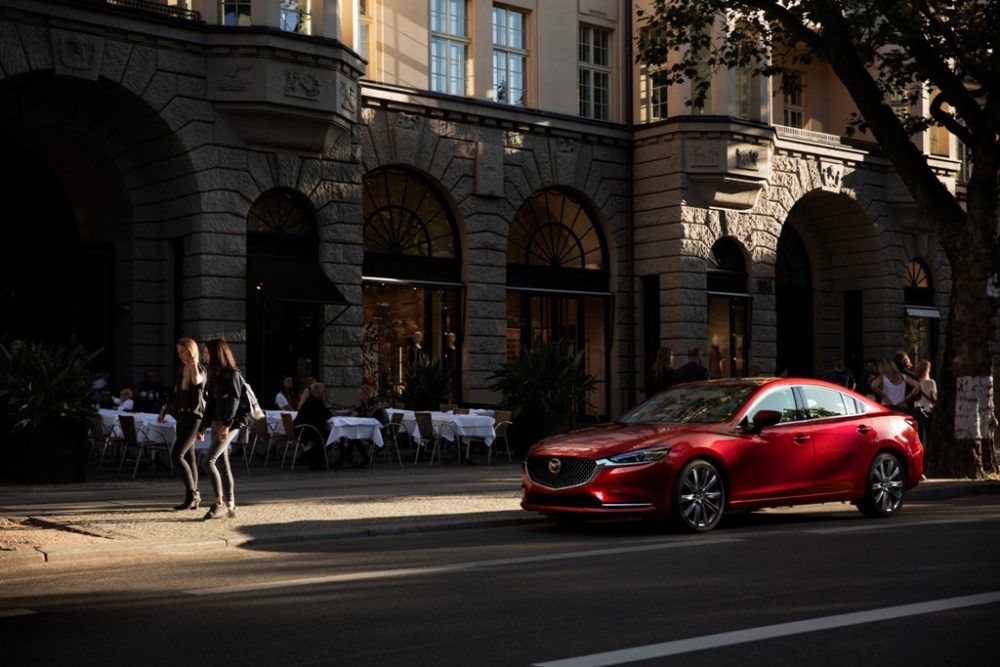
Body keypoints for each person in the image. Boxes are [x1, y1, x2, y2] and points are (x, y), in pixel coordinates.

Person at [160, 338, 206, 512]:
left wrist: (193, 363)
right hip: (181, 416)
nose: (180, 355)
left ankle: (192, 495)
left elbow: (196, 382)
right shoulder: (181, 368)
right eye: (178, 352)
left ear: (190, 350)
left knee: (176, 455)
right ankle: (194, 498)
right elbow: (176, 392)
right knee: (189, 458)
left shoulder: (199, 368)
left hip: (194, 418)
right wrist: (165, 408)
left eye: (182, 351)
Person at [198, 339, 241, 519]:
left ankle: (219, 503)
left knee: (208, 461)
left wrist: (226, 424)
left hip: (228, 424)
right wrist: (202, 427)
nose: (204, 356)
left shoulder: (231, 374)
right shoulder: (215, 375)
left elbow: (234, 400)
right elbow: (211, 404)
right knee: (222, 463)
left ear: (216, 354)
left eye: (206, 352)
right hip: (217, 423)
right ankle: (230, 505)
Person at [293, 381, 333, 470]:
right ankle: (318, 462)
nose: (324, 394)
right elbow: (327, 415)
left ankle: (312, 459)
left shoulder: (309, 400)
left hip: (301, 429)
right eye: (323, 391)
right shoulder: (316, 402)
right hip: (307, 430)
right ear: (318, 392)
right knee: (330, 436)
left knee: (324, 435)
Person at [913, 359, 937, 444]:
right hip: (928, 409)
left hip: (916, 408)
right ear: (927, 369)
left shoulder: (914, 381)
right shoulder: (931, 382)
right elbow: (934, 398)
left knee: (918, 434)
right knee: (929, 432)